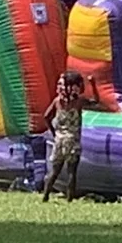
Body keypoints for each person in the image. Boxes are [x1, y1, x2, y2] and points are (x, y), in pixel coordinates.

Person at [40, 70, 90, 202]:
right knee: (71, 172)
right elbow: (95, 101)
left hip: (59, 139)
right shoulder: (78, 102)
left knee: (55, 171)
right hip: (72, 139)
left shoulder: (58, 101)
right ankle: (69, 198)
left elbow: (46, 116)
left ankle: (45, 196)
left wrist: (53, 132)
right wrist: (93, 84)